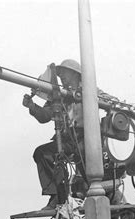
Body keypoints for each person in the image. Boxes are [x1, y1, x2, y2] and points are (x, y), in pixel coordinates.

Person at [22, 59, 85, 210]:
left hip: (86, 140)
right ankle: (57, 197)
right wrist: (32, 106)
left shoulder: (89, 91)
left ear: (75, 74)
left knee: (88, 179)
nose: (61, 76)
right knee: (43, 154)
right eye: (60, 73)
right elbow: (44, 116)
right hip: (66, 141)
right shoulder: (59, 96)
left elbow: (108, 100)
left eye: (64, 72)